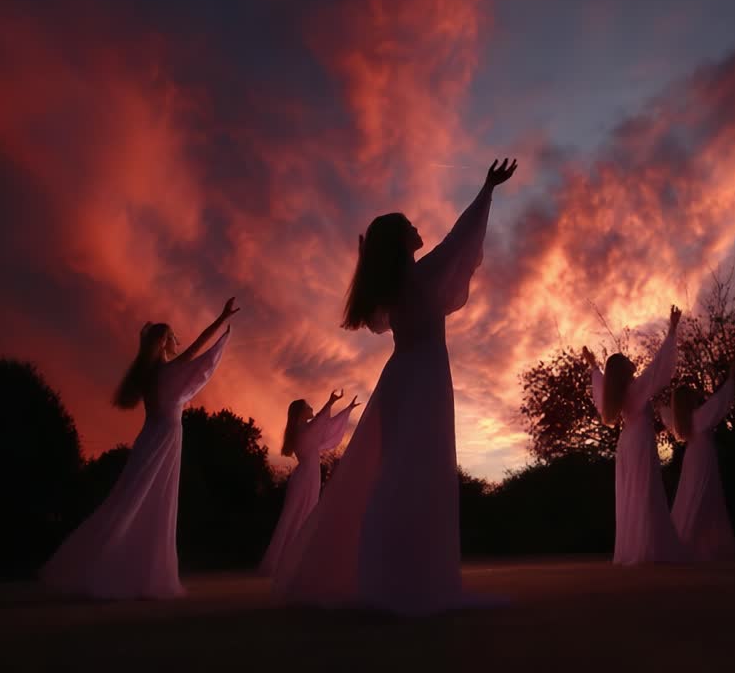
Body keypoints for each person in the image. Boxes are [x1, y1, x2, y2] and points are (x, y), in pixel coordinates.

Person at [273, 158, 518, 615]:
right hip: (422, 377)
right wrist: (487, 189)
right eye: (407, 226)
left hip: (401, 377)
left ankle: (386, 573)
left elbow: (452, 245)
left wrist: (368, 257)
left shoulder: (393, 288)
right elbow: (459, 241)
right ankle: (405, 577)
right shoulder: (420, 277)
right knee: (419, 469)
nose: (415, 227)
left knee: (395, 470)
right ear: (400, 242)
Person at [40, 297, 239, 599]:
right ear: (161, 342)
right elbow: (198, 346)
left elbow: (184, 348)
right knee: (148, 501)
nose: (174, 342)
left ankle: (127, 568)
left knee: (134, 498)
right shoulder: (164, 373)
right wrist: (222, 318)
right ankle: (121, 569)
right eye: (170, 339)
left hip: (151, 436)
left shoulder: (147, 375)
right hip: (165, 437)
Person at [583, 305, 685, 564]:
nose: (632, 362)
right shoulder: (636, 389)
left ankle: (635, 548)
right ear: (624, 370)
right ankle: (647, 549)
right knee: (645, 490)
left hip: (627, 442)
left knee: (632, 492)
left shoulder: (616, 395)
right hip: (638, 441)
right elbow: (659, 367)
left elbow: (599, 383)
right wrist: (672, 329)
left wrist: (593, 365)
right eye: (628, 362)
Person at [259, 389, 360, 575]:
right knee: (296, 515)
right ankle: (281, 561)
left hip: (309, 476)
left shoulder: (304, 429)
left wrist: (347, 409)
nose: (311, 407)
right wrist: (330, 403)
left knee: (304, 515)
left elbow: (325, 425)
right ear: (300, 413)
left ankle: (293, 559)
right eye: (308, 406)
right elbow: (320, 423)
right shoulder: (302, 431)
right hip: (305, 477)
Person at [664, 356, 735, 560]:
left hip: (693, 456)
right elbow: (720, 402)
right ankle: (695, 541)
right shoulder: (699, 417)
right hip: (703, 454)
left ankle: (689, 539)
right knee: (703, 493)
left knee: (691, 493)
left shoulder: (683, 422)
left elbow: (666, 414)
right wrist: (731, 377)